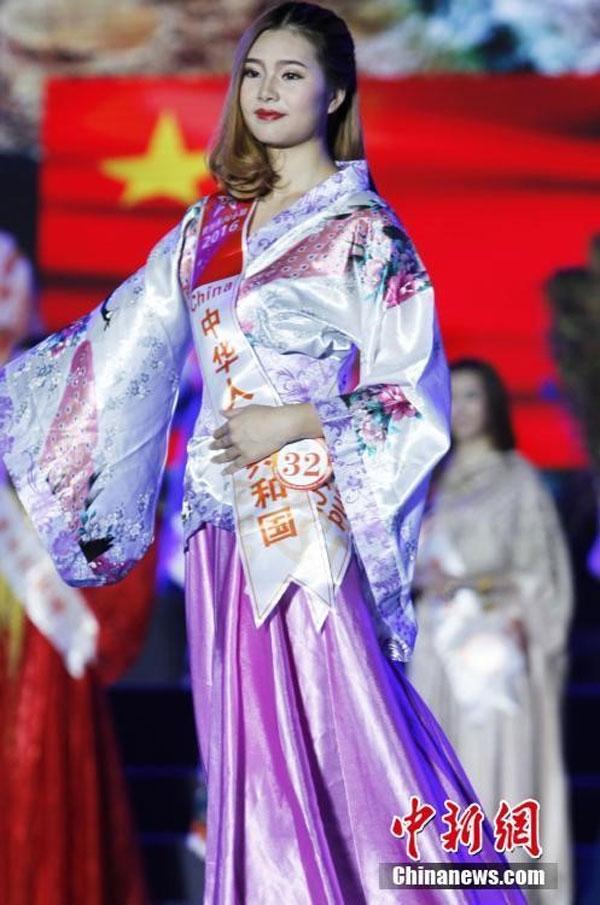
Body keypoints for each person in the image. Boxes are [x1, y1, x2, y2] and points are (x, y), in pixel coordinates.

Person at [0, 3, 529, 901]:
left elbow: (415, 397)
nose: (266, 91)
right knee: (248, 767)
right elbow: (115, 350)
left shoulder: (364, 232)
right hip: (217, 531)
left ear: (335, 94)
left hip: (305, 530)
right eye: (253, 72)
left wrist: (296, 423)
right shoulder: (209, 229)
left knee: (347, 735)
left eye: (291, 74)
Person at [407, 358, 574, 905]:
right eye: (453, 396)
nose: (463, 408)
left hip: (490, 653)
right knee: (437, 777)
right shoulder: (430, 480)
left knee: (491, 772)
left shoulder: (517, 478)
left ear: (494, 404)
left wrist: (473, 583)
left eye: (473, 395)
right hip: (434, 651)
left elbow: (542, 574)